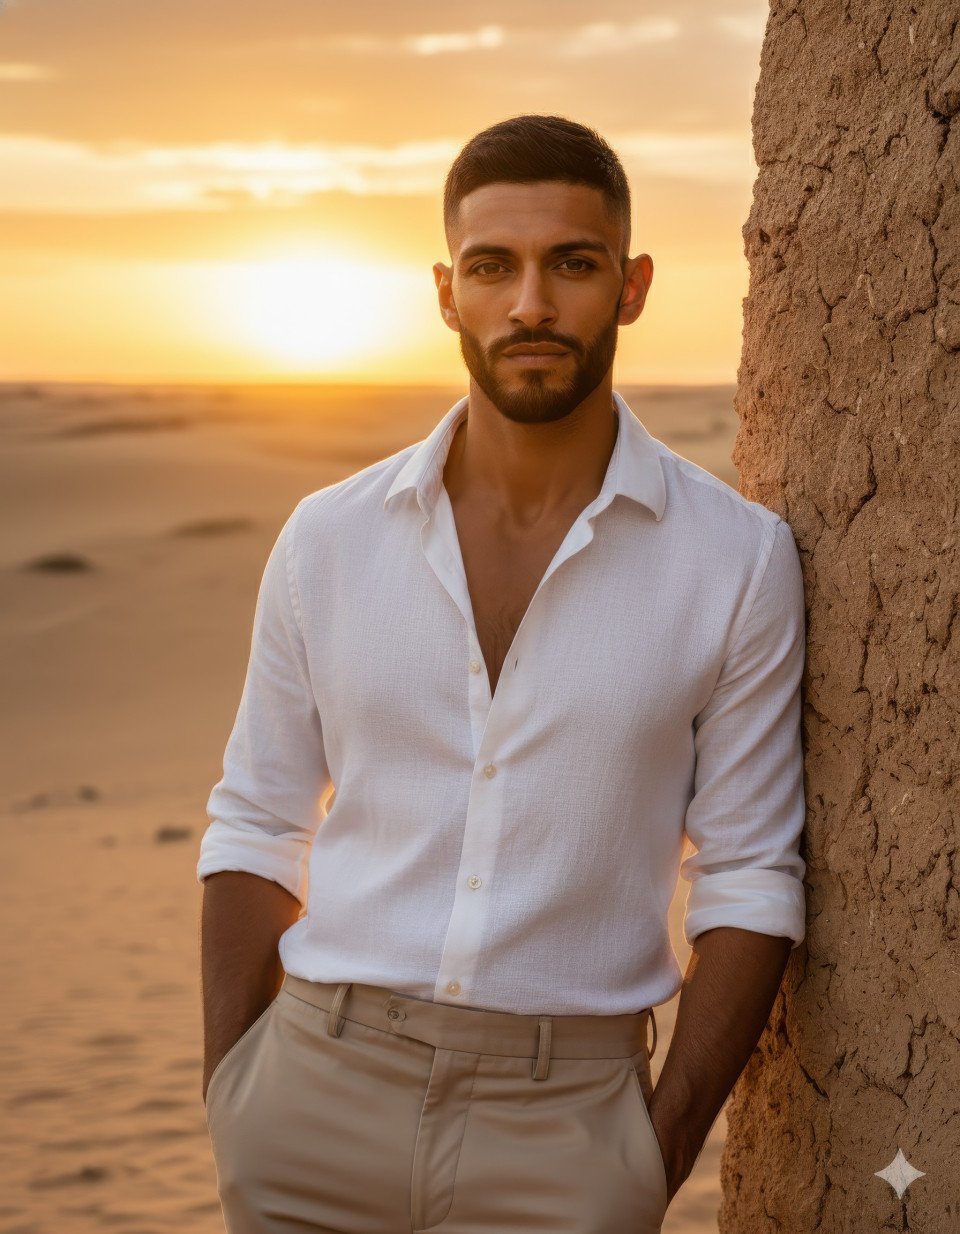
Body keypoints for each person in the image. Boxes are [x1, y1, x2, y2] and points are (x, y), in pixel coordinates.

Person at [196, 113, 808, 1234]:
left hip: (567, 1129)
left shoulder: (734, 560)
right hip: (309, 1107)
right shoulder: (328, 540)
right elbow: (254, 822)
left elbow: (753, 876)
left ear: (630, 287)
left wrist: (646, 1156)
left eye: (572, 264)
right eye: (493, 266)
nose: (531, 303)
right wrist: (236, 1092)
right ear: (446, 292)